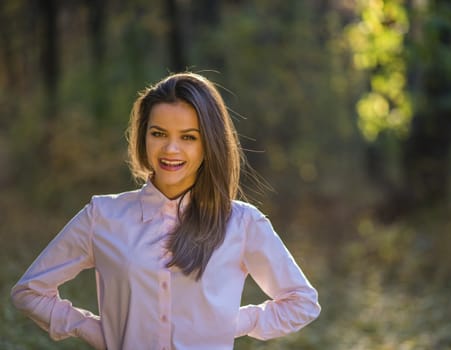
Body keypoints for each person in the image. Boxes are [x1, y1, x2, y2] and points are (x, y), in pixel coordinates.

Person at [11, 72, 321, 350]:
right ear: (143, 136)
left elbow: (302, 303)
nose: (171, 149)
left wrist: (231, 323)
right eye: (158, 134)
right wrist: (95, 330)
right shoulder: (102, 216)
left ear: (209, 144)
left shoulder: (241, 223)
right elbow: (30, 291)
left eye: (188, 137)